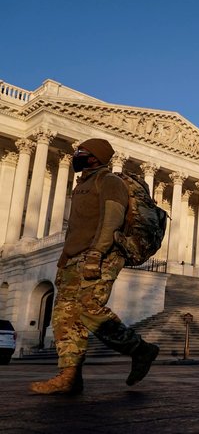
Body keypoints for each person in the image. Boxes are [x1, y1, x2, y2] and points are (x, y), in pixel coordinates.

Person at [30, 138, 159, 395]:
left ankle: (139, 349)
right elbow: (75, 228)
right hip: (73, 258)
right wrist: (64, 257)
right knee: (64, 316)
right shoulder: (82, 186)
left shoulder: (109, 182)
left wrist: (97, 253)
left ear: (94, 157)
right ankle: (69, 375)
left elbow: (112, 219)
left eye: (81, 152)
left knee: (88, 308)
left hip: (101, 255)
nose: (76, 154)